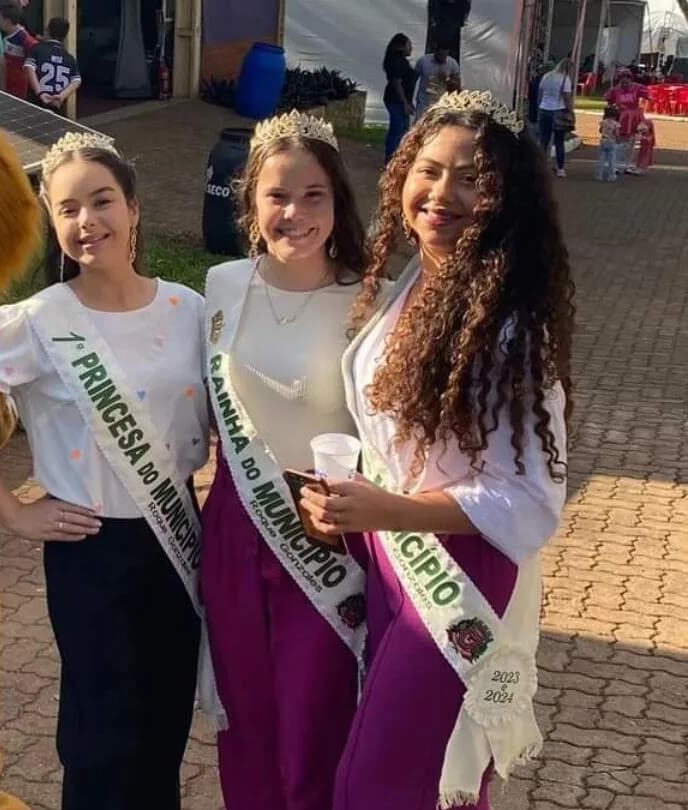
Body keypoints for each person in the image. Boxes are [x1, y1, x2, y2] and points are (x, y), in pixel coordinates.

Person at [0, 132, 210, 810]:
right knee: (99, 737)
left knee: (164, 725)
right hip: (90, 547)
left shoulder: (189, 309)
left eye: (102, 201)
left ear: (133, 208)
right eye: (68, 209)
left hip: (177, 540)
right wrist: (13, 512)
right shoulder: (34, 323)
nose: (87, 222)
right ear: (53, 222)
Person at [301, 90, 573, 809]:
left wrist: (389, 509)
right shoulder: (412, 285)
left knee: (381, 784)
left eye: (471, 178)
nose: (441, 193)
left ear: (505, 197)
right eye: (429, 170)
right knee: (424, 778)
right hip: (394, 556)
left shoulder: (510, 327)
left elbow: (530, 497)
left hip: (460, 573)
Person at [200, 109, 369, 810]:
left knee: (316, 722)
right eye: (277, 195)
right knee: (246, 719)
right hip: (234, 527)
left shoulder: (369, 297)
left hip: (327, 535)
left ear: (337, 202)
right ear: (252, 200)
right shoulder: (221, 286)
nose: (294, 213)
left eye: (313, 195)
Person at [25, 17, 81, 115]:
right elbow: (76, 80)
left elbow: (29, 68)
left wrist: (40, 93)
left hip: (36, 103)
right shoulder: (69, 58)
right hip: (57, 105)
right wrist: (62, 96)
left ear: (47, 31)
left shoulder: (37, 49)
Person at [605, 69, 650, 173]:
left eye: (627, 80)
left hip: (634, 117)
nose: (624, 83)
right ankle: (615, 164)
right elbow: (608, 102)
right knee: (619, 140)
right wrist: (608, 117)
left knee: (631, 142)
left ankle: (627, 164)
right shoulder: (615, 90)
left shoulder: (638, 87)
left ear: (631, 79)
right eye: (622, 80)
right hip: (620, 116)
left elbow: (648, 96)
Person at [383, 33, 417, 162]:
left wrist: (408, 102)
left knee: (403, 129)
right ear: (401, 46)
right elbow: (397, 84)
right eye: (409, 45)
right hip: (395, 100)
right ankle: (391, 158)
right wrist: (404, 103)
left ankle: (398, 156)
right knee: (397, 128)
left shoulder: (402, 61)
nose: (411, 48)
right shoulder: (396, 62)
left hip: (402, 100)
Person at [537, 58, 574, 177]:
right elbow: (567, 97)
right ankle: (560, 168)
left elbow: (540, 92)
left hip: (544, 109)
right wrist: (571, 111)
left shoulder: (547, 76)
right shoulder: (565, 79)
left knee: (544, 140)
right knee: (559, 141)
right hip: (558, 110)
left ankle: (540, 166)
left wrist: (540, 105)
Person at [0, 3, 37, 99]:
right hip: (7, 84)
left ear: (7, 21)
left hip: (18, 89)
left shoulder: (24, 38)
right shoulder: (5, 35)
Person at [414, 41, 462, 116]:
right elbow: (413, 80)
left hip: (443, 102)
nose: (442, 58)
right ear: (436, 51)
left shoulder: (452, 63)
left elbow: (457, 85)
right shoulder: (423, 61)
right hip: (424, 102)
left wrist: (446, 79)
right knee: (421, 122)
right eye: (440, 55)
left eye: (444, 55)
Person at [597, 104, 619, 182]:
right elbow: (617, 133)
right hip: (611, 141)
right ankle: (612, 175)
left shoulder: (603, 122)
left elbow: (600, 131)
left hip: (603, 140)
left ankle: (599, 175)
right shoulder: (615, 124)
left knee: (601, 158)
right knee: (612, 159)